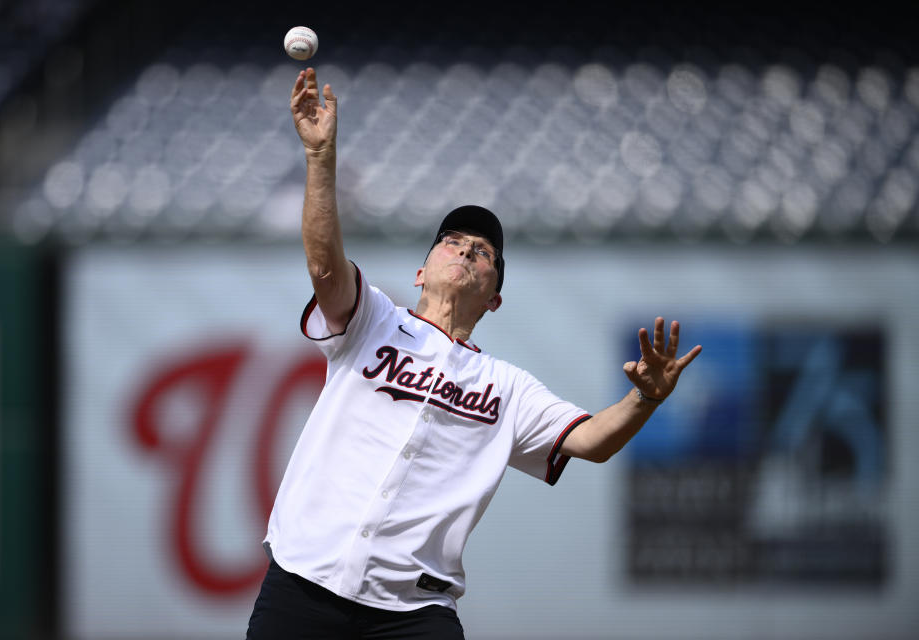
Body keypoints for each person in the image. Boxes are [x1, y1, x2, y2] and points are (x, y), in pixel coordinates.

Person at [245, 67, 702, 640]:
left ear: (495, 296)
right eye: (452, 242)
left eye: (483, 251)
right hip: (303, 584)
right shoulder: (372, 320)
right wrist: (320, 157)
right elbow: (324, 265)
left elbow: (591, 441)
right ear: (421, 271)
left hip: (413, 614)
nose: (465, 250)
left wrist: (645, 398)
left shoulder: (506, 386)